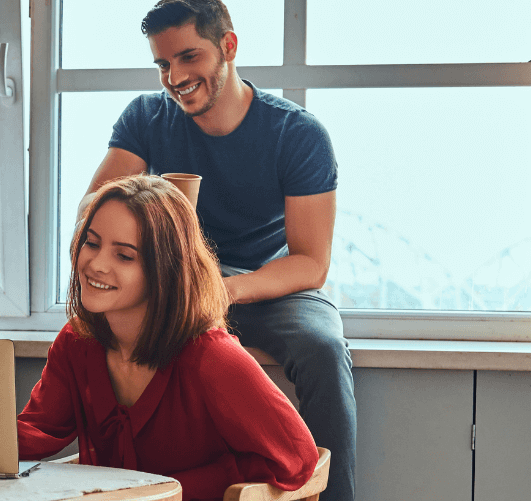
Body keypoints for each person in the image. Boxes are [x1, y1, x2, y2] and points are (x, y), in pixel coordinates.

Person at [81, 0, 352, 501]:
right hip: (175, 283)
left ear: (227, 45)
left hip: (269, 286)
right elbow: (94, 208)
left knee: (323, 348)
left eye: (189, 56)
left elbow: (311, 263)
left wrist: (224, 290)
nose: (174, 77)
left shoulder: (297, 134)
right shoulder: (147, 118)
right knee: (96, 334)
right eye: (163, 63)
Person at [19, 175, 319, 501]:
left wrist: (169, 491)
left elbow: (299, 458)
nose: (96, 264)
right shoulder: (76, 342)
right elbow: (37, 433)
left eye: (124, 255)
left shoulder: (213, 359)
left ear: (164, 270)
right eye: (92, 243)